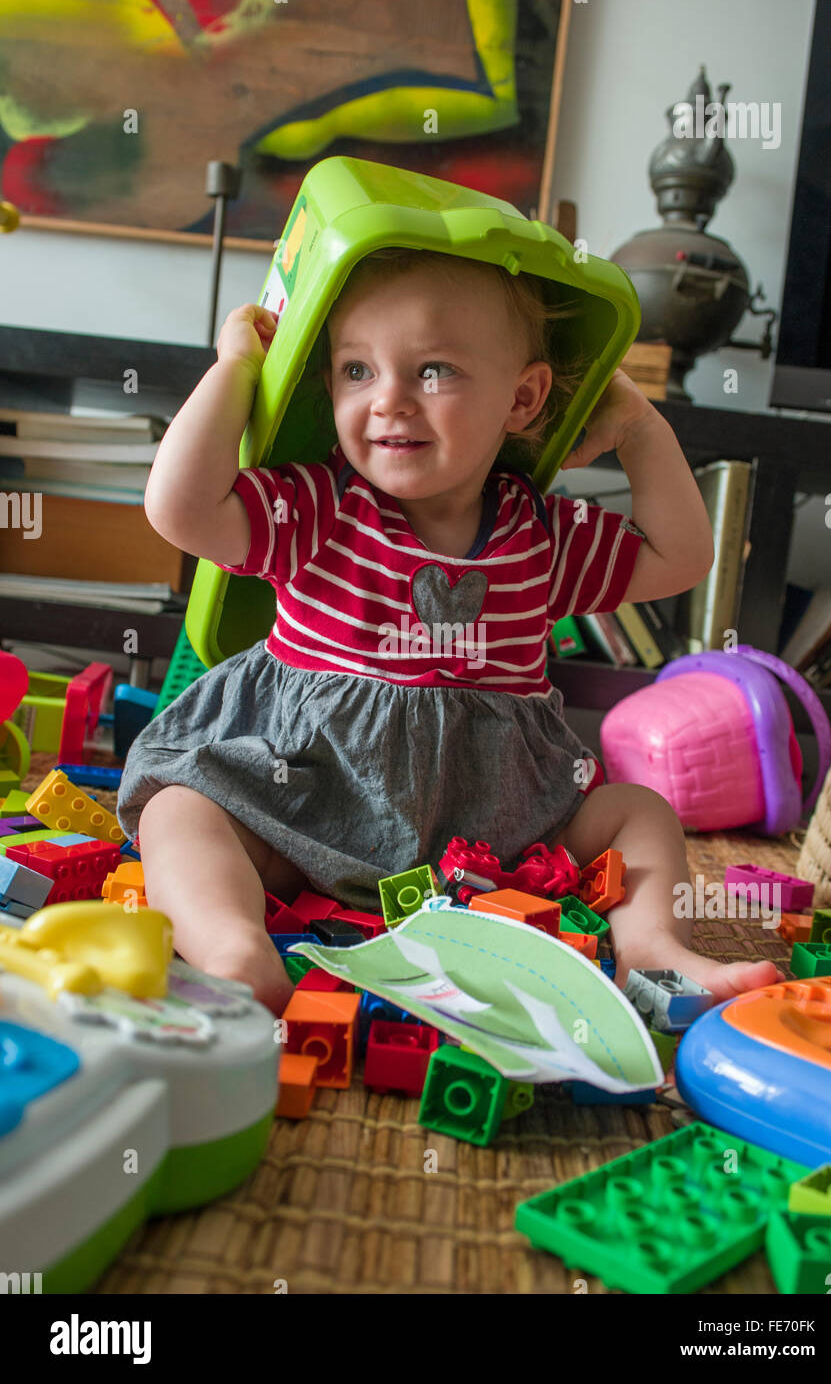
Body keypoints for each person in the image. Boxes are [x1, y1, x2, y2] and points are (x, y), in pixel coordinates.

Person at [117, 246, 783, 1015]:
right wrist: (235, 370)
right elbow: (180, 508)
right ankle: (232, 948)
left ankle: (653, 952)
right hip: (302, 807)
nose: (389, 400)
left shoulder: (540, 533)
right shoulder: (319, 507)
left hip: (491, 839)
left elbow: (681, 556)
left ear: (522, 399)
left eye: (433, 370)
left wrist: (635, 423)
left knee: (640, 813)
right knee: (182, 807)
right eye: (356, 370)